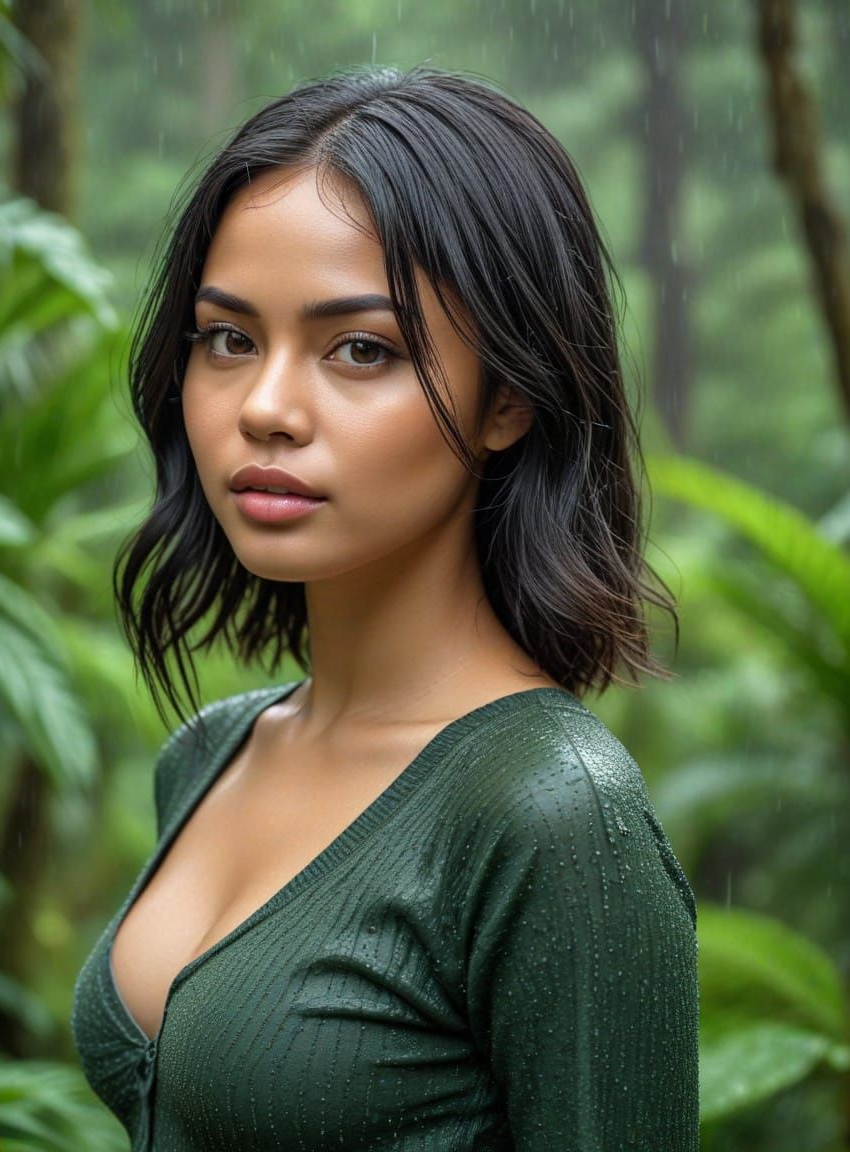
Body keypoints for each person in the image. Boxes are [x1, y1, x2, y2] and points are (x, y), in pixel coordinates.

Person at [70, 63, 699, 1151]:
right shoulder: (211, 753)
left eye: (359, 349)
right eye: (227, 338)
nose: (263, 408)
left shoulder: (552, 817)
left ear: (508, 397)